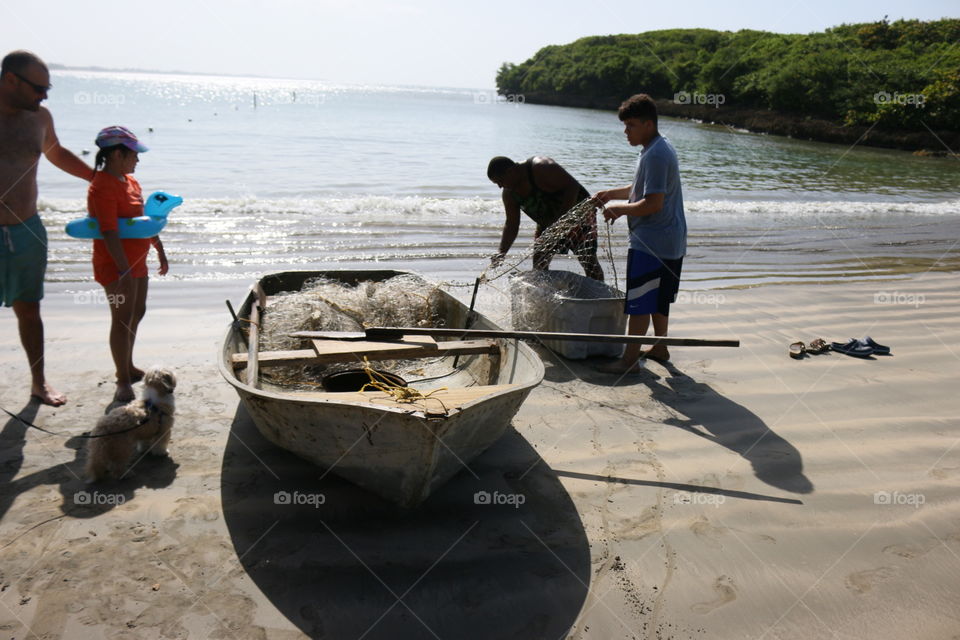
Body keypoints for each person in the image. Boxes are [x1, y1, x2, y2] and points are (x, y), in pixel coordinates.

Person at [0, 50, 96, 406]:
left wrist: (98, 178)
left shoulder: (40, 118)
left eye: (48, 89)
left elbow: (56, 153)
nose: (44, 96)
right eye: (38, 88)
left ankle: (38, 383)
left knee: (30, 309)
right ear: (11, 79)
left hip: (27, 230)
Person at [594, 94, 687, 372]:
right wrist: (611, 194)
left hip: (652, 242)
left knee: (641, 302)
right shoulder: (656, 147)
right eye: (625, 125)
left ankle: (629, 361)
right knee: (658, 298)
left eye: (631, 125)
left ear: (648, 124)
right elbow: (641, 189)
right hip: (670, 240)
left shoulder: (656, 154)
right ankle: (660, 347)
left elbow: (653, 203)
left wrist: (619, 209)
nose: (626, 131)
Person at [88, 126, 168, 402]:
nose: (138, 159)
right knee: (121, 319)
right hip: (114, 265)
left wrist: (159, 249)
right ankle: (122, 380)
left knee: (137, 312)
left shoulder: (131, 182)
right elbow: (109, 231)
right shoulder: (101, 186)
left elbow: (145, 220)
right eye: (133, 154)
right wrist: (123, 270)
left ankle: (128, 365)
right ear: (117, 154)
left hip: (137, 262)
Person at [487, 156, 604, 281]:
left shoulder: (541, 167)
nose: (500, 186)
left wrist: (561, 221)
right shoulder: (509, 194)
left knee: (587, 259)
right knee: (539, 260)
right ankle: (543, 291)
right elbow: (512, 224)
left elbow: (572, 186)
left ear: (510, 171)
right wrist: (501, 252)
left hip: (579, 215)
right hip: (548, 223)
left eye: (500, 181)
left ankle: (600, 290)